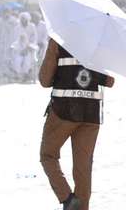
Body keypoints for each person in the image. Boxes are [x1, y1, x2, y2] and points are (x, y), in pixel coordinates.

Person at [38, 38, 113, 210]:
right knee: (83, 167)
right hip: (91, 113)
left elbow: (44, 80)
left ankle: (68, 199)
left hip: (63, 111)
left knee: (48, 155)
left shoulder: (58, 39)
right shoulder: (99, 41)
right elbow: (109, 81)